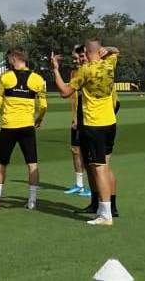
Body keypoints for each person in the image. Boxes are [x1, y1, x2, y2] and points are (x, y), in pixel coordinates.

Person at [52, 40, 120, 226]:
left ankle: (106, 214)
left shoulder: (86, 70)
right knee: (105, 165)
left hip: (94, 123)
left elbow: (65, 92)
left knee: (99, 168)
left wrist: (55, 70)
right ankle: (105, 207)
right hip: (110, 122)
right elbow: (116, 51)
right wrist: (109, 49)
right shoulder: (110, 63)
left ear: (87, 53)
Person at [0, 48, 47, 210]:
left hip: (9, 127)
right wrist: (39, 118)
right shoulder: (38, 79)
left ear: (13, 59)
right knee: (32, 164)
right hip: (27, 127)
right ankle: (32, 201)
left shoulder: (5, 77)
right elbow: (44, 105)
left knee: (1, 163)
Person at [63, 46, 93, 198]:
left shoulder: (91, 72)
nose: (75, 61)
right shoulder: (74, 73)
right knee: (75, 151)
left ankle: (91, 187)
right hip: (77, 118)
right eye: (74, 58)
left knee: (88, 153)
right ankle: (79, 185)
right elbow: (73, 99)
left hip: (89, 119)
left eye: (77, 58)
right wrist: (74, 117)